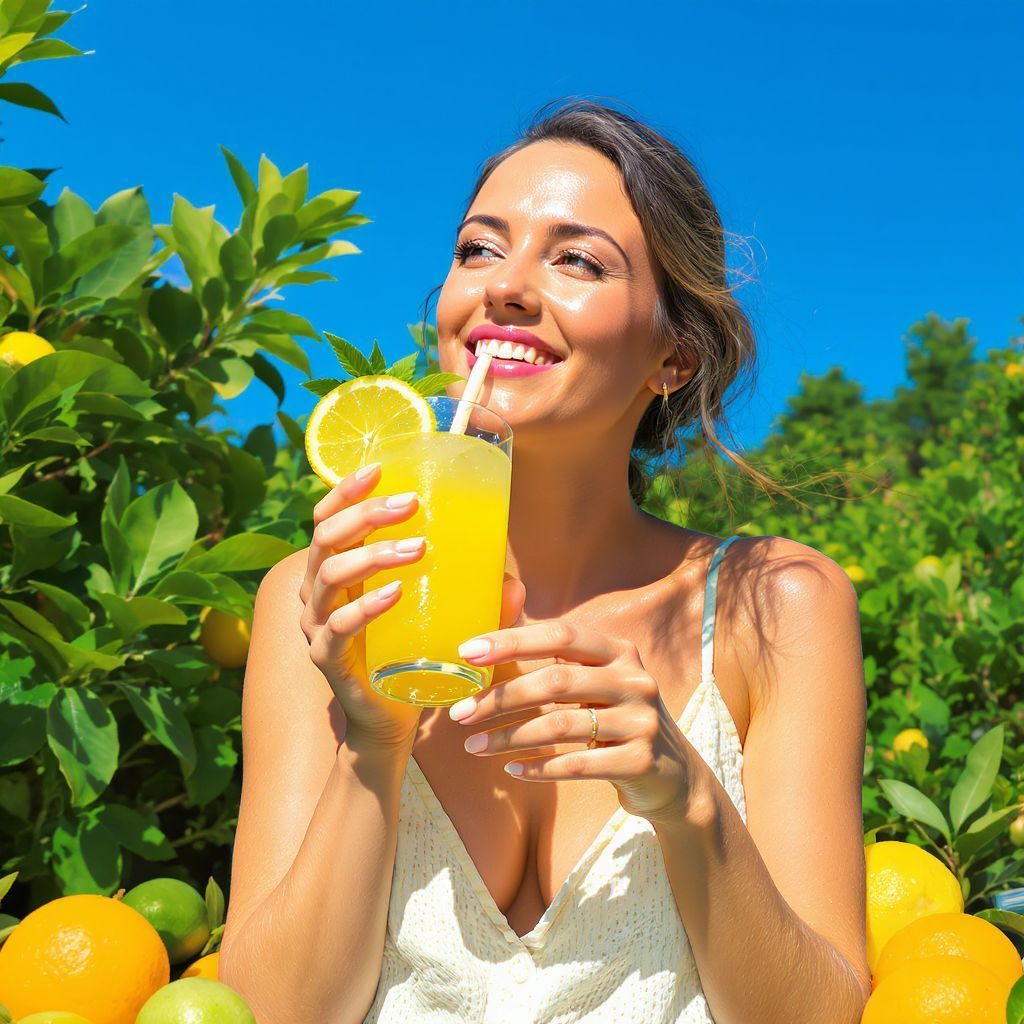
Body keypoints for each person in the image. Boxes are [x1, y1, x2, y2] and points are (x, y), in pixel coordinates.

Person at [219, 99, 871, 1024]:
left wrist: (686, 800)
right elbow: (268, 1013)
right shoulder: (320, 602)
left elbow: (817, 1016)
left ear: (673, 357)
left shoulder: (778, 606)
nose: (505, 287)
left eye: (576, 259)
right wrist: (372, 744)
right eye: (479, 249)